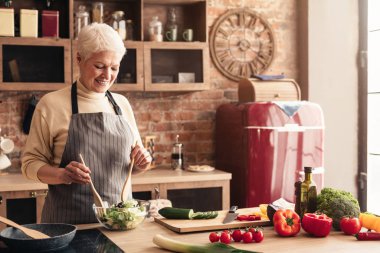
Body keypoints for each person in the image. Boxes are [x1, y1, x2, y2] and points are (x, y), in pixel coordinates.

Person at [21, 23, 152, 224]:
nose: (107, 76)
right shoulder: (51, 104)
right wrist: (62, 175)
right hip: (68, 227)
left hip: (120, 223)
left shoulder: (122, 104)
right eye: (99, 66)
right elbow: (30, 164)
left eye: (114, 68)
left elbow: (129, 167)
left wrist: (142, 162)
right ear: (79, 59)